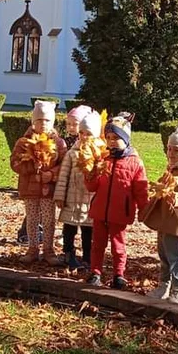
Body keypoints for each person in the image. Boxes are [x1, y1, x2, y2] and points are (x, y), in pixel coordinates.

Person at [84, 116, 149, 289]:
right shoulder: (103, 160)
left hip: (120, 212)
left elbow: (141, 189)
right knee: (97, 244)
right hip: (100, 211)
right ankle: (95, 272)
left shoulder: (135, 162)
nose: (112, 142)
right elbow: (92, 187)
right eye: (109, 138)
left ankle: (118, 274)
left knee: (118, 246)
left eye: (116, 138)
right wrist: (89, 174)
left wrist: (145, 208)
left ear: (126, 139)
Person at [143, 124, 178, 304]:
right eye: (169, 148)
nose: (171, 153)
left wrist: (177, 197)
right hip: (165, 221)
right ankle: (163, 285)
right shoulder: (172, 168)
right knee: (163, 254)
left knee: (177, 256)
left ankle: (177, 289)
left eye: (177, 150)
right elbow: (162, 187)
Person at [11, 100, 67, 263]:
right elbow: (15, 163)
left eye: (47, 120)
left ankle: (49, 250)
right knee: (32, 218)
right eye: (39, 120)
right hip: (30, 188)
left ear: (53, 122)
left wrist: (50, 174)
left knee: (49, 220)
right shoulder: (23, 142)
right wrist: (30, 165)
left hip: (48, 188)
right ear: (33, 122)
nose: (43, 124)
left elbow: (63, 165)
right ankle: (32, 248)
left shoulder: (58, 143)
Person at [54, 110, 99, 271]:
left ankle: (87, 255)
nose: (84, 136)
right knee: (69, 228)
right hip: (72, 199)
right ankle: (68, 252)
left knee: (88, 230)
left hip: (90, 199)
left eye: (88, 133)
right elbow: (63, 176)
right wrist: (60, 196)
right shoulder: (72, 153)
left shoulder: (99, 154)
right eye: (81, 133)